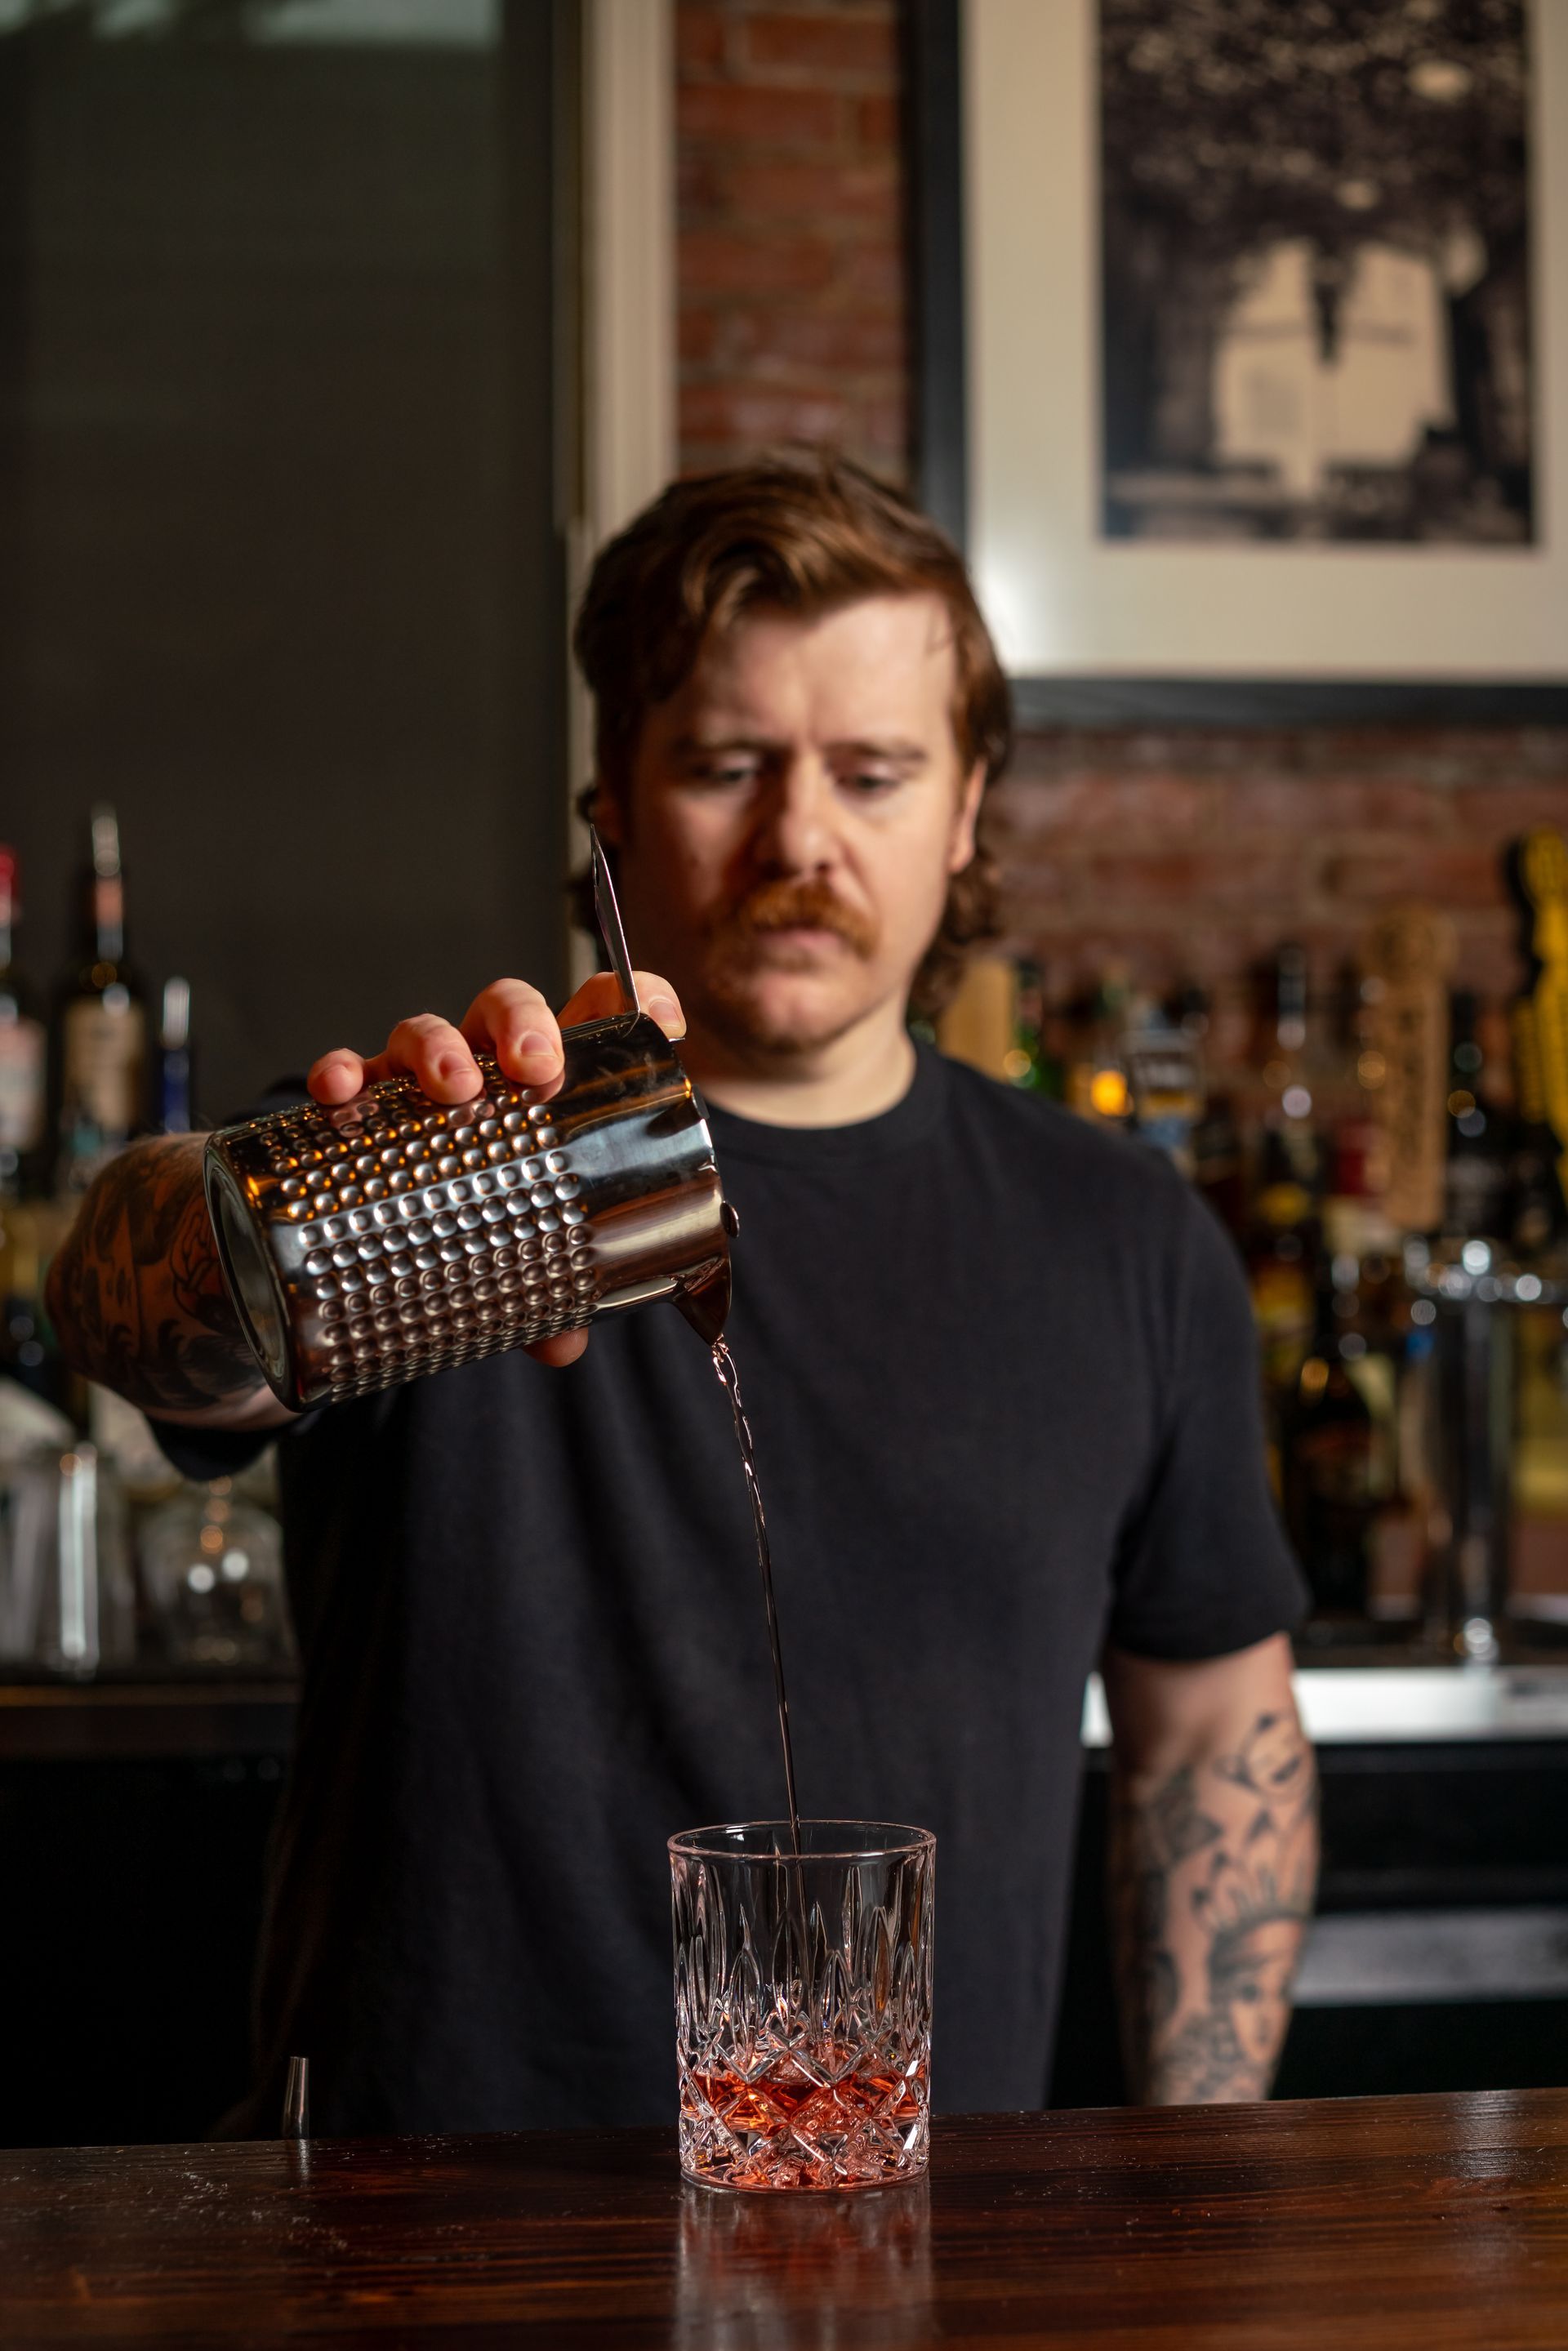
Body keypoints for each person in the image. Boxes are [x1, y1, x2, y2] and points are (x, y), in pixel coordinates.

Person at [47, 454, 1316, 2135]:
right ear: (614, 808)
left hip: (910, 2227)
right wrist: (257, 1226)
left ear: (966, 806)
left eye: (873, 773)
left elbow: (1213, 1727)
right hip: (411, 2240)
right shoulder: (448, 1170)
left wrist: (1203, 2186)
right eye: (731, 765)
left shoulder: (1124, 1239)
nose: (800, 835)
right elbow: (122, 1316)